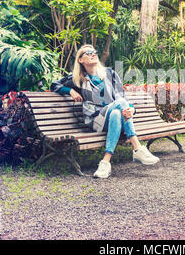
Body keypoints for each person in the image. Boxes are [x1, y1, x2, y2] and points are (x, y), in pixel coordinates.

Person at [51, 44, 160, 178]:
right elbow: (54, 85)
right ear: (80, 60)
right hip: (95, 118)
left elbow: (122, 97)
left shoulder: (110, 74)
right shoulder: (77, 79)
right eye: (88, 52)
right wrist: (70, 90)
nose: (93, 54)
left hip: (114, 117)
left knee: (116, 113)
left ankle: (105, 161)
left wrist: (131, 110)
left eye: (94, 52)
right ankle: (137, 148)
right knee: (119, 106)